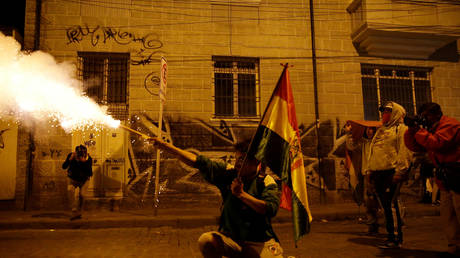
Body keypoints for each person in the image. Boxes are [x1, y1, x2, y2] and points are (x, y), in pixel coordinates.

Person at [148, 137, 283, 258]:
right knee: (206, 241)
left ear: (255, 161)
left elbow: (269, 209)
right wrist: (166, 146)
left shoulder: (265, 181)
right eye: (236, 158)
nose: (237, 163)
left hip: (259, 242)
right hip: (233, 240)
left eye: (242, 159)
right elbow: (198, 161)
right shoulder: (229, 173)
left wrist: (241, 195)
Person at [404, 102, 460, 256]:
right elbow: (415, 146)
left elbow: (437, 143)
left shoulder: (450, 125)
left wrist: (419, 131)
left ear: (436, 114)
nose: (424, 119)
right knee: (448, 214)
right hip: (445, 176)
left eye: (426, 115)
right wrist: (411, 130)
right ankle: (454, 246)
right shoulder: (431, 128)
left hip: (457, 173)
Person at [367, 101, 413, 249]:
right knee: (385, 206)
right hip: (378, 173)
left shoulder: (401, 129)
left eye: (387, 111)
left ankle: (396, 237)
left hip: (391, 172)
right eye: (383, 111)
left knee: (392, 205)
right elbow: (373, 152)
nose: (383, 114)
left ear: (395, 113)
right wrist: (370, 171)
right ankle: (390, 235)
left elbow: (404, 151)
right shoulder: (381, 130)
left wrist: (400, 172)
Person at [344, 120, 381, 235]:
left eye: (372, 129)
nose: (370, 131)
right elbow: (350, 146)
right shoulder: (363, 142)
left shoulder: (380, 142)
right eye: (368, 129)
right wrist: (349, 133)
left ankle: (394, 227)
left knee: (383, 201)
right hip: (367, 174)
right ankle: (372, 226)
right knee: (369, 202)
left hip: (379, 173)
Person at [62, 145, 93, 220]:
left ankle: (80, 211)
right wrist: (69, 159)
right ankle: (74, 209)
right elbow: (64, 167)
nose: (80, 155)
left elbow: (90, 173)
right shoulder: (71, 156)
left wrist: (84, 163)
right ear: (75, 152)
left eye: (83, 153)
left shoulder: (88, 159)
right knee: (70, 190)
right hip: (73, 179)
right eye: (78, 153)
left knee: (82, 195)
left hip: (84, 180)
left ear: (86, 153)